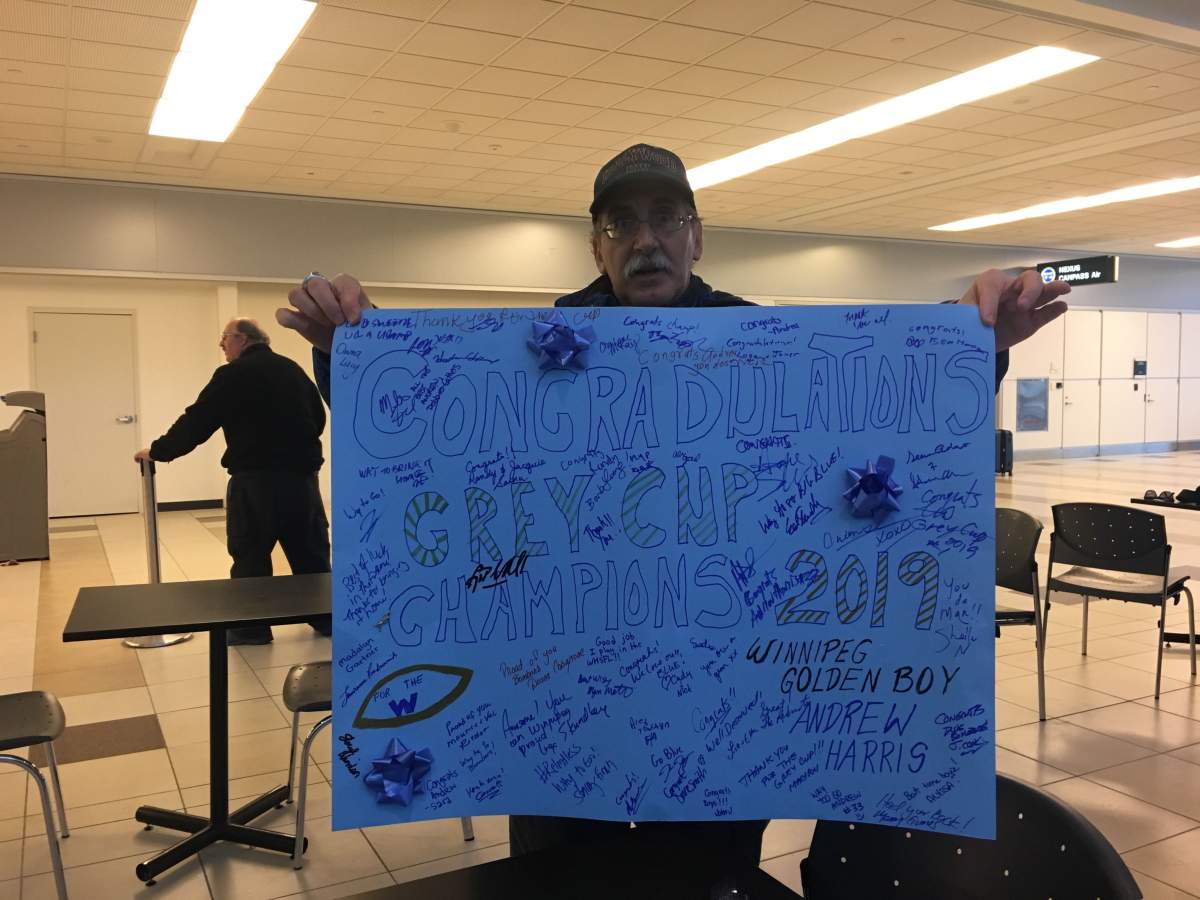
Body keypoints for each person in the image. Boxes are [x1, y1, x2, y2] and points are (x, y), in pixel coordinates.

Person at [275, 144, 1071, 869]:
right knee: (562, 883)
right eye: (620, 223)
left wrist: (978, 346)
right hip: (561, 731)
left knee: (709, 881)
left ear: (698, 236)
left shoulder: (760, 345)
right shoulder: (533, 353)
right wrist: (347, 346)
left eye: (666, 218)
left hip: (716, 734)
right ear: (595, 245)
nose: (644, 239)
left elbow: (886, 419)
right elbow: (425, 437)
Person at [134, 318, 332, 645]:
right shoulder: (292, 370)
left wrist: (159, 451)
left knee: (250, 556)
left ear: (241, 339)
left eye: (224, 338)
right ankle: (325, 620)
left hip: (254, 484)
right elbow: (318, 417)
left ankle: (251, 628)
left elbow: (198, 420)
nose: (221, 345)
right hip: (301, 482)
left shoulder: (232, 376)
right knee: (310, 554)